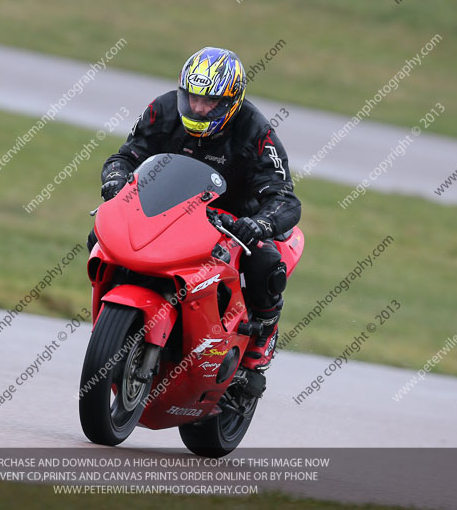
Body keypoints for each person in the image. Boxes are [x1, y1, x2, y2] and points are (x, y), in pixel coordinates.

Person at [90, 46, 301, 377]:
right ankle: (113, 313)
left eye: (210, 102)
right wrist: (116, 184)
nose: (199, 108)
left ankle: (264, 331)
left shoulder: (256, 131)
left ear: (232, 101)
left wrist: (258, 225)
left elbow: (284, 197)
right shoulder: (161, 111)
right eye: (192, 98)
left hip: (229, 223)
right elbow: (126, 156)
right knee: (99, 234)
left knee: (265, 261)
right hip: (166, 212)